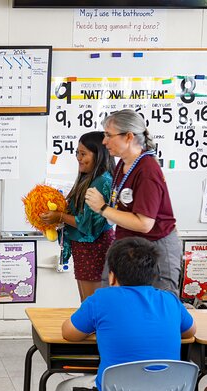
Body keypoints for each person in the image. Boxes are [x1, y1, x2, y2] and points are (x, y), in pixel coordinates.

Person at [53, 237, 196, 391]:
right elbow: (190, 331)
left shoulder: (101, 299)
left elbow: (69, 333)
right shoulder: (169, 300)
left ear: (112, 275)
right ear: (153, 274)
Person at [84, 109, 182, 295]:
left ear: (128, 137)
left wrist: (102, 207)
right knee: (109, 295)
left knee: (161, 303)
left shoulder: (147, 170)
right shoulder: (123, 163)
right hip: (127, 243)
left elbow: (144, 223)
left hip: (155, 246)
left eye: (108, 135)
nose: (104, 141)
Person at [40, 131, 115, 301]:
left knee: (93, 304)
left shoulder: (103, 181)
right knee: (87, 302)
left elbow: (89, 225)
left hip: (95, 248)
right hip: (83, 248)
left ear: (99, 155)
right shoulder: (88, 178)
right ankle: (90, 328)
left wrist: (59, 216)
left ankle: (95, 329)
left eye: (83, 154)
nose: (78, 158)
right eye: (77, 153)